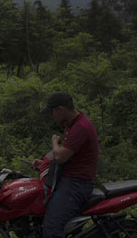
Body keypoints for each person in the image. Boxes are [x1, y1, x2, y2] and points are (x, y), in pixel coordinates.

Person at [34, 91, 99, 238]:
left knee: (51, 228)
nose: (52, 116)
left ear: (60, 109)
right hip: (70, 181)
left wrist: (54, 142)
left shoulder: (80, 127)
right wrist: (43, 164)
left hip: (76, 185)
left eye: (52, 112)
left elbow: (60, 156)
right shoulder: (73, 124)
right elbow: (70, 154)